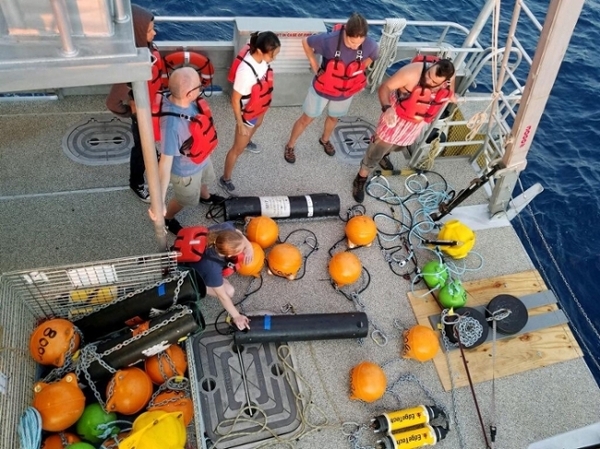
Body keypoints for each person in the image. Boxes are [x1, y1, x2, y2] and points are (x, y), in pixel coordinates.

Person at [352, 57, 457, 203]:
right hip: (395, 118)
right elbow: (385, 87)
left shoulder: (450, 77)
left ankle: (384, 156)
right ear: (433, 65)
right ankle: (360, 178)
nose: (428, 81)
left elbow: (450, 91)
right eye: (428, 75)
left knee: (398, 147)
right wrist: (387, 109)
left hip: (415, 124)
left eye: (434, 82)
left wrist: (451, 95)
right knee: (375, 151)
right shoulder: (411, 73)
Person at [283, 13, 379, 164]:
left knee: (334, 118)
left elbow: (372, 57)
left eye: (358, 44)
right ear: (346, 32)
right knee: (307, 118)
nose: (354, 46)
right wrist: (314, 64)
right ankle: (290, 145)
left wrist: (357, 73)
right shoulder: (328, 40)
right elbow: (306, 42)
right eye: (351, 42)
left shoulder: (371, 45)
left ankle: (325, 140)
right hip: (322, 89)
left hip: (345, 93)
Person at [152, 67, 225, 235]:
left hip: (202, 158)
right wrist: (159, 201)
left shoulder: (186, 101)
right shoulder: (172, 126)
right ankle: (169, 218)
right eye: (199, 86)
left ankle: (205, 197)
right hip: (186, 173)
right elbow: (165, 162)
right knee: (185, 199)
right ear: (189, 94)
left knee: (206, 179)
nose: (201, 88)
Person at [106, 4, 158, 203]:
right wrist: (131, 112)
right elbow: (112, 102)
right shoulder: (129, 66)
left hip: (152, 107)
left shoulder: (144, 47)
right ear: (135, 32)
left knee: (148, 146)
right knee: (141, 150)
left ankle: (153, 153)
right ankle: (136, 183)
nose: (155, 33)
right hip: (141, 115)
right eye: (149, 30)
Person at [219, 31, 281, 192]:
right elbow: (235, 99)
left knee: (258, 123)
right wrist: (240, 123)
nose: (274, 58)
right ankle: (225, 179)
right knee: (236, 150)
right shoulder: (245, 73)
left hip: (259, 105)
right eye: (272, 55)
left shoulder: (261, 60)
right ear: (260, 51)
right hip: (247, 113)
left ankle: (247, 142)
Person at [188, 223, 253, 330]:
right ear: (230, 255)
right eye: (241, 250)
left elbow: (238, 233)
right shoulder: (212, 268)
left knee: (225, 285)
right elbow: (222, 296)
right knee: (229, 292)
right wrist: (236, 316)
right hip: (191, 273)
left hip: (190, 251)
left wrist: (249, 246)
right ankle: (196, 287)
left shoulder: (225, 231)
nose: (243, 250)